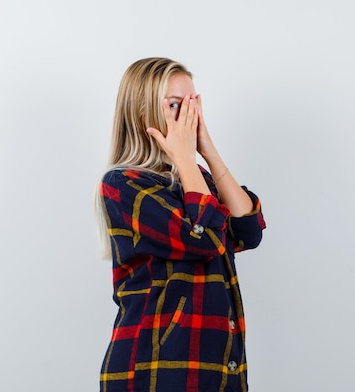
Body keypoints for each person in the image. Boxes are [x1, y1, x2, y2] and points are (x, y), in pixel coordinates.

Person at [95, 57, 266, 392]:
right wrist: (186, 159)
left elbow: (248, 230)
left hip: (215, 366)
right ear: (144, 113)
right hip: (157, 367)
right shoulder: (122, 185)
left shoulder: (194, 179)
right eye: (175, 105)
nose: (189, 117)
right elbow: (203, 240)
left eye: (192, 104)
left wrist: (207, 152)